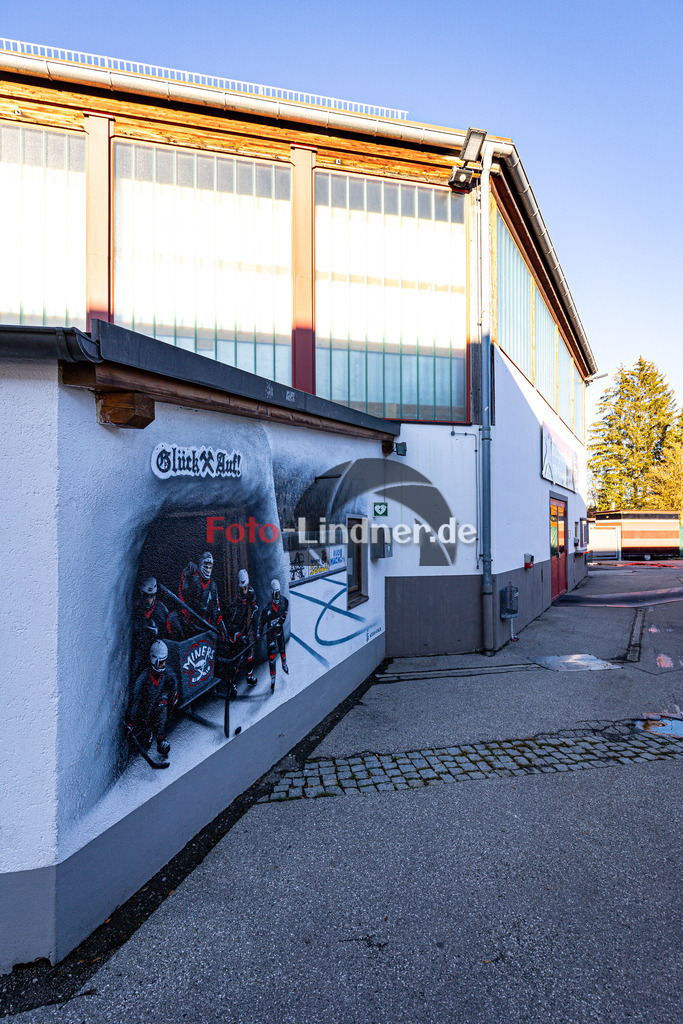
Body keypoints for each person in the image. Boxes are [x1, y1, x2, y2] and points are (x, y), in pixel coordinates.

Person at [127, 640, 177, 759]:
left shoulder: (166, 673)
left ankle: (161, 738)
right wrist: (130, 721)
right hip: (146, 708)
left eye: (164, 662)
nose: (163, 666)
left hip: (158, 704)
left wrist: (173, 697)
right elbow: (134, 699)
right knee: (146, 707)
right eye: (161, 663)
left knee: (162, 702)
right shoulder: (144, 676)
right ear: (154, 660)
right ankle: (146, 730)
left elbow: (173, 681)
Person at [171, 551, 227, 641]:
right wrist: (185, 574)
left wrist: (221, 625)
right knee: (173, 618)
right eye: (206, 567)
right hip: (191, 624)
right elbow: (182, 596)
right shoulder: (193, 579)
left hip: (206, 627)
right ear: (201, 565)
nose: (208, 570)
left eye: (210, 567)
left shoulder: (213, 586)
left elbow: (216, 609)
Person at [132, 577, 170, 678]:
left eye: (151, 596)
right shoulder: (137, 608)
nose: (148, 600)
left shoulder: (161, 609)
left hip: (156, 648)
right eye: (146, 596)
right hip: (142, 648)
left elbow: (167, 631)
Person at [227, 568, 258, 687]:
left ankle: (249, 677)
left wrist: (255, 609)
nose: (244, 591)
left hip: (244, 629)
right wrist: (239, 637)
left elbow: (254, 604)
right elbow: (231, 624)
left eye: (245, 588)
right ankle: (232, 684)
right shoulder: (235, 602)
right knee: (237, 659)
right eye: (242, 589)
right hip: (234, 633)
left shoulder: (250, 592)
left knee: (249, 652)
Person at [259, 578, 289, 688]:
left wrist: (280, 622)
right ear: (272, 593)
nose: (277, 596)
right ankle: (273, 677)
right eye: (275, 593)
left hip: (279, 631)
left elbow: (285, 613)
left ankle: (284, 664)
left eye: (278, 593)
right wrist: (258, 634)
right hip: (270, 635)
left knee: (282, 648)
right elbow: (261, 623)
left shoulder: (284, 602)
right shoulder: (267, 609)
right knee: (271, 656)